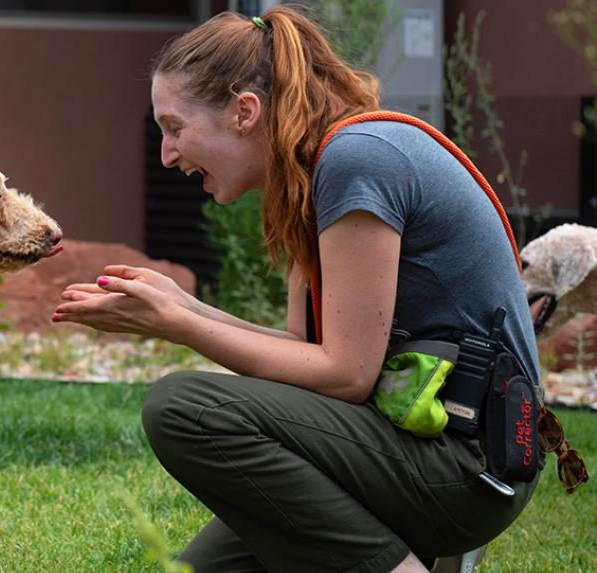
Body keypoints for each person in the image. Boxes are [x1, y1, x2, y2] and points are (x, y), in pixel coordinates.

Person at [52, 5, 542, 573]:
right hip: (415, 450)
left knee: (182, 407)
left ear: (244, 112)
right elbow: (304, 353)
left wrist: (182, 326)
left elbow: (346, 374)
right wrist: (183, 304)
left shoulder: (358, 160)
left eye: (175, 128)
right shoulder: (313, 176)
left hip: (466, 468)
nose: (167, 154)